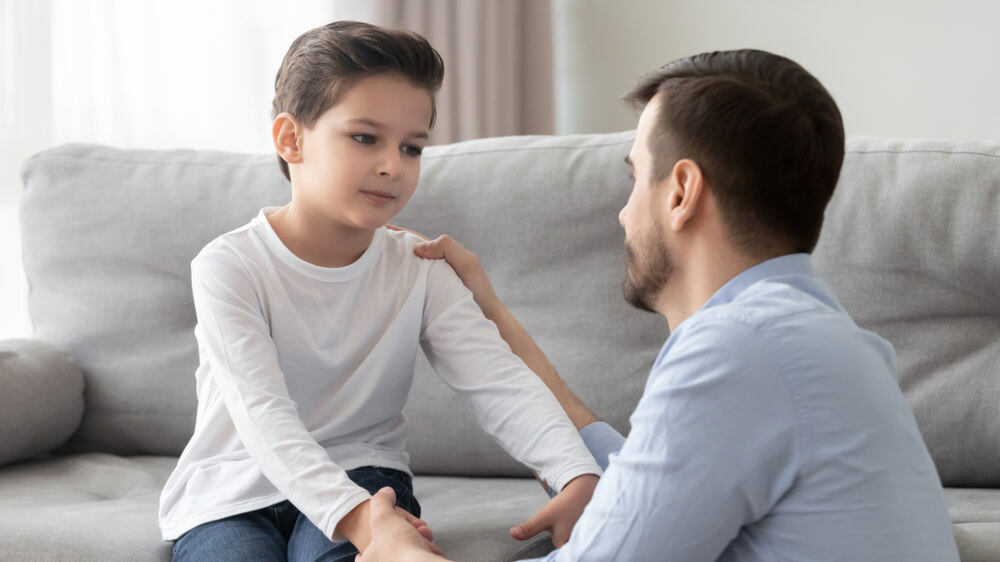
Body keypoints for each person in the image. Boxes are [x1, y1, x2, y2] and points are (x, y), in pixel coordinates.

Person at [357, 49, 962, 561]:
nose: (624, 214)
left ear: (680, 192)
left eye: (634, 179)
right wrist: (489, 310)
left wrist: (395, 549)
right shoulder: (819, 339)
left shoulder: (740, 350)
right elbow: (645, 487)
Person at [157, 21, 602, 562]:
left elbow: (499, 382)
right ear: (291, 139)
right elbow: (263, 417)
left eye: (412, 147)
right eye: (365, 137)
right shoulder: (228, 267)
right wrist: (368, 526)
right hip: (231, 491)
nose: (393, 165)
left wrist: (575, 473)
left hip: (367, 476)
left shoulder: (421, 268)